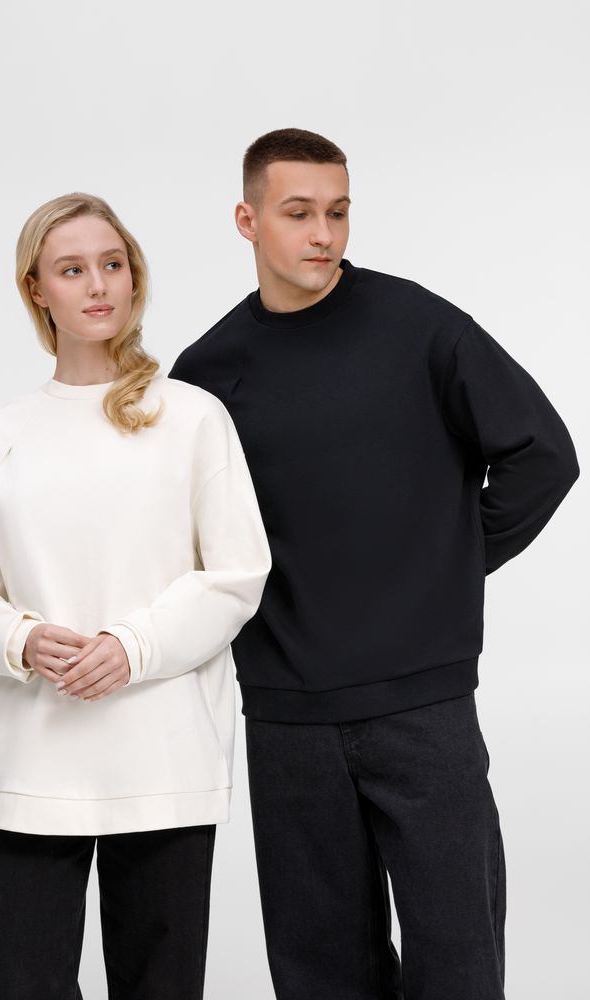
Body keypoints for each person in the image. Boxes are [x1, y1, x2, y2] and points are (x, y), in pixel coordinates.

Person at [169, 128, 580, 1000]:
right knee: (320, 970)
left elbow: (542, 455)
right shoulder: (206, 375)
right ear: (246, 220)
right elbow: (190, 539)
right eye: (298, 213)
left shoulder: (419, 327)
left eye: (338, 212)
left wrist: (445, 565)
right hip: (287, 714)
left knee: (458, 960)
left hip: (422, 705)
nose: (322, 234)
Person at [0, 192, 271, 1000]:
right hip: (31, 764)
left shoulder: (191, 417)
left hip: (163, 760)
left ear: (134, 277)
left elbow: (237, 574)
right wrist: (20, 640)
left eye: (112, 264)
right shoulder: (0, 435)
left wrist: (132, 646)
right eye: (72, 269)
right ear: (35, 289)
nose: (97, 285)